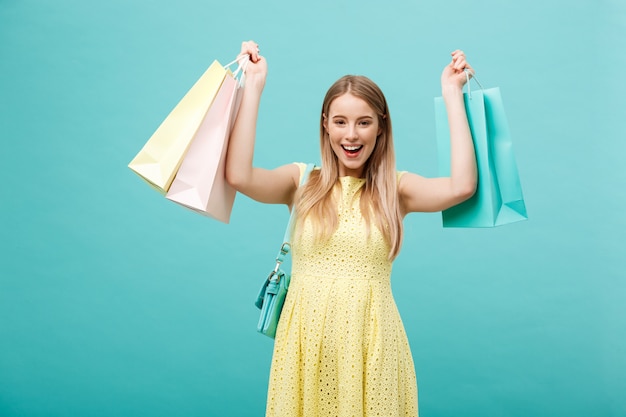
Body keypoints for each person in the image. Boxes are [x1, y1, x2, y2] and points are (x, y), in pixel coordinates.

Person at [226, 40, 477, 417]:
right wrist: (254, 87)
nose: (351, 135)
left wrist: (451, 93)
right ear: (325, 125)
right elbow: (238, 175)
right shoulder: (301, 183)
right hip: (304, 347)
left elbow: (462, 186)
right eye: (340, 121)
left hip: (371, 347)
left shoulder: (397, 189)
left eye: (364, 122)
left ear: (381, 127)